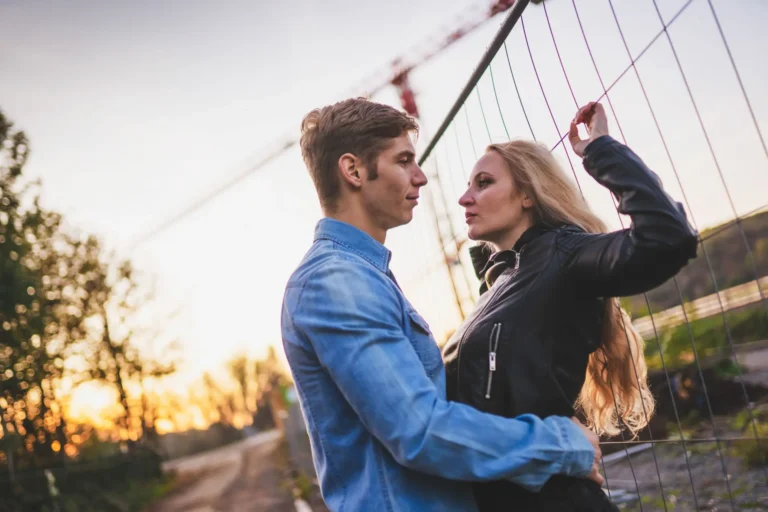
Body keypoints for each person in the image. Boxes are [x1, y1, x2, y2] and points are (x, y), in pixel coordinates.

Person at [281, 98, 605, 512]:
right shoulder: (338, 281)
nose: (420, 177)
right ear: (354, 171)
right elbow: (420, 431)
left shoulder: (360, 274)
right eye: (404, 161)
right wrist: (562, 445)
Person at [442, 102, 699, 511]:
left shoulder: (564, 253)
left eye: (483, 183)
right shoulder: (497, 283)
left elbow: (667, 236)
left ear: (528, 194)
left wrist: (601, 149)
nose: (463, 198)